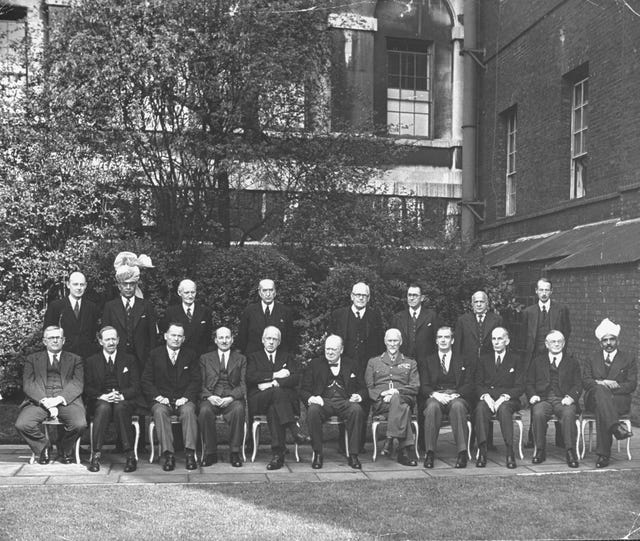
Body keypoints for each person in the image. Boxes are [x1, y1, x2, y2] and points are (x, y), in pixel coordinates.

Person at [15, 326, 86, 464]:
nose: (55, 341)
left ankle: (64, 449)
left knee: (79, 424)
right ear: (44, 341)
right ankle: (43, 447)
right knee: (22, 424)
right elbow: (28, 384)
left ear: (63, 340)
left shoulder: (75, 359)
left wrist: (58, 400)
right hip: (39, 400)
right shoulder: (32, 359)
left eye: (58, 338)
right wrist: (45, 402)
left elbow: (77, 383)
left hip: (67, 400)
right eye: (51, 338)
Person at [328, 281, 384, 452]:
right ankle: (342, 441)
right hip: (345, 366)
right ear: (351, 296)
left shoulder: (374, 316)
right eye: (358, 295)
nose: (361, 298)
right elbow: (332, 341)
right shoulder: (339, 315)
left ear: (368, 297)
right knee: (344, 400)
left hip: (367, 366)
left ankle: (357, 443)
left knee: (363, 401)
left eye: (364, 295)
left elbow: (379, 343)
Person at [299, 335, 365, 470]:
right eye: (327, 349)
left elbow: (363, 388)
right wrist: (311, 398)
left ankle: (353, 454)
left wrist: (359, 396)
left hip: (345, 402)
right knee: (313, 410)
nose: (329, 352)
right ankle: (318, 453)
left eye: (333, 349)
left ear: (341, 350)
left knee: (357, 410)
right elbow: (304, 390)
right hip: (324, 402)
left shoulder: (351, 364)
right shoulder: (315, 364)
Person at [246, 326, 307, 470]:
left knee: (274, 407)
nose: (271, 342)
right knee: (276, 393)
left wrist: (273, 383)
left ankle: (277, 456)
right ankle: (294, 430)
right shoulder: (253, 357)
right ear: (263, 340)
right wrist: (275, 374)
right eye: (268, 338)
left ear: (279, 342)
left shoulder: (287, 356)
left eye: (274, 339)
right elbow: (250, 377)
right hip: (259, 400)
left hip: (280, 402)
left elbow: (295, 378)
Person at [141, 323, 201, 471]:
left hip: (183, 399)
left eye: (179, 336)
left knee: (188, 412)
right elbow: (146, 380)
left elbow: (196, 380)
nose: (176, 339)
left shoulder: (190, 355)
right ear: (166, 336)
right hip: (162, 399)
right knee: (160, 412)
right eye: (173, 335)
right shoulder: (155, 354)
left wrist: (186, 397)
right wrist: (158, 397)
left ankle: (189, 454)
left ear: (184, 338)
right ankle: (168, 455)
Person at [521, 278, 572, 448]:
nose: (543, 293)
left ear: (551, 292)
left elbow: (567, 331)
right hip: (535, 360)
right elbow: (524, 337)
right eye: (540, 290)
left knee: (558, 392)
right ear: (536, 291)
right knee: (536, 397)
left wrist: (558, 351)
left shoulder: (561, 310)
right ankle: (533, 436)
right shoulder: (528, 312)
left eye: (547, 290)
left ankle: (560, 435)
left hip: (555, 358)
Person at [391, 283, 441, 453]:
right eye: (409, 295)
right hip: (404, 368)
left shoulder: (431, 316)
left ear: (422, 298)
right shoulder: (398, 317)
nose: (411, 298)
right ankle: (404, 444)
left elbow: (437, 343)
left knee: (423, 405)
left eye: (415, 295)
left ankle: (424, 444)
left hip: (425, 368)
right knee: (404, 404)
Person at [84, 326, 139, 473]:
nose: (111, 342)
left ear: (118, 340)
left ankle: (130, 455)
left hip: (123, 398)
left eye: (114, 339)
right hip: (101, 398)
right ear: (100, 341)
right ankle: (95, 455)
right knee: (103, 408)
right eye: (107, 339)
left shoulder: (129, 359)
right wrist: (102, 396)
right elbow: (87, 387)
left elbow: (136, 386)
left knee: (121, 408)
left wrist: (122, 395)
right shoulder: (91, 361)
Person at [582, 318, 636, 468]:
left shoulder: (628, 358)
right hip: (593, 399)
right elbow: (586, 381)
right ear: (600, 343)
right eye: (605, 340)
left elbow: (631, 385)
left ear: (617, 341)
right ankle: (615, 427)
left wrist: (610, 387)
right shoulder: (592, 358)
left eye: (612, 339)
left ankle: (603, 455)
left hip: (619, 400)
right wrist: (603, 383)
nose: (609, 343)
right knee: (599, 391)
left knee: (602, 408)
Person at [422, 326, 475, 469]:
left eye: (446, 337)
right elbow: (424, 385)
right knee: (432, 407)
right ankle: (430, 452)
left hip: (456, 395)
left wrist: (456, 395)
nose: (443, 340)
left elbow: (470, 383)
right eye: (440, 337)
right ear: (436, 341)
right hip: (436, 395)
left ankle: (462, 452)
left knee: (458, 406)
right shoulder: (429, 360)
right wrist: (435, 395)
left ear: (452, 340)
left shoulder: (463, 359)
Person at [526, 330, 581, 468]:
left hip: (563, 399)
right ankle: (539, 450)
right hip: (543, 398)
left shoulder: (572, 362)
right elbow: (529, 382)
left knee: (569, 414)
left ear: (563, 343)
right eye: (553, 342)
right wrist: (532, 395)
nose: (556, 344)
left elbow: (578, 384)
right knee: (538, 413)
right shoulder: (537, 361)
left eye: (559, 341)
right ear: (546, 344)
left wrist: (571, 397)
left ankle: (570, 452)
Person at [365, 328, 420, 467]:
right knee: (403, 408)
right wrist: (383, 395)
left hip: (404, 397)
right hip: (382, 402)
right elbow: (369, 387)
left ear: (400, 342)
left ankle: (390, 438)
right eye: (390, 340)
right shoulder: (374, 362)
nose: (392, 344)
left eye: (395, 340)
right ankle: (405, 450)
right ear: (385, 341)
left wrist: (395, 391)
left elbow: (415, 386)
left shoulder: (410, 362)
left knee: (398, 399)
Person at [473, 327, 524, 469]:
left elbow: (520, 386)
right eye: (494, 339)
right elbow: (478, 383)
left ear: (507, 341)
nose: (496, 342)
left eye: (500, 339)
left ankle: (509, 451)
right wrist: (485, 396)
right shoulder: (484, 359)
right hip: (489, 397)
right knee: (480, 408)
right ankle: (482, 451)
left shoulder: (516, 359)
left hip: (508, 399)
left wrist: (504, 397)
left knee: (504, 409)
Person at [198, 327, 246, 468]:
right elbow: (199, 382)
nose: (224, 341)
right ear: (215, 340)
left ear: (232, 339)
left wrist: (231, 397)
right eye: (221, 338)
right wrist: (209, 396)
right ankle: (210, 452)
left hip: (231, 398)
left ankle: (235, 452)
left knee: (238, 410)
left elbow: (243, 385)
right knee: (205, 411)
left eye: (227, 338)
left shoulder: (241, 359)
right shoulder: (205, 358)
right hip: (212, 396)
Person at [101, 264, 158, 374]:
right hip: (118, 355)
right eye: (125, 284)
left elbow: (152, 335)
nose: (128, 287)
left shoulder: (146, 306)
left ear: (136, 285)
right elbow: (105, 333)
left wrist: (151, 357)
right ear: (119, 286)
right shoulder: (110, 306)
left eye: (131, 284)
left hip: (142, 357)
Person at [43, 271, 99, 359]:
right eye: (75, 284)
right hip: (64, 357)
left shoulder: (92, 307)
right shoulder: (56, 306)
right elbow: (48, 333)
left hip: (87, 357)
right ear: (68, 285)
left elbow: (93, 332)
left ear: (86, 286)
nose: (79, 288)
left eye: (82, 284)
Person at [237, 278, 295, 355]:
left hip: (279, 358)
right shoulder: (249, 311)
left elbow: (290, 339)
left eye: (271, 290)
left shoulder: (285, 312)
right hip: (253, 358)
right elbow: (242, 338)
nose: (268, 294)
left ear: (275, 292)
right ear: (259, 292)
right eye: (264, 290)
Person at [162, 279, 213, 357]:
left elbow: (208, 337)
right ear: (179, 293)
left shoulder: (205, 312)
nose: (190, 296)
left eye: (193, 292)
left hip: (199, 357)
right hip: (179, 357)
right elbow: (166, 337)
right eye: (186, 293)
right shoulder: (171, 312)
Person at [453, 290, 503, 363]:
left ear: (487, 303)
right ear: (472, 304)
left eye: (481, 302)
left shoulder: (497, 320)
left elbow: (503, 345)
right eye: (476, 302)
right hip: (468, 364)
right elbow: (457, 346)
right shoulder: (463, 320)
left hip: (490, 363)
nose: (478, 304)